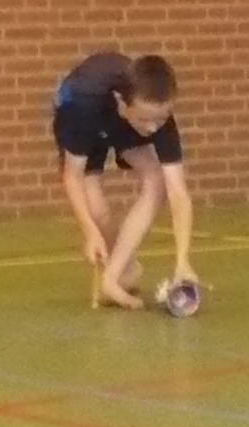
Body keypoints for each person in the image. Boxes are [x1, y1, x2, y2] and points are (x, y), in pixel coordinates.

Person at [51, 51, 197, 310]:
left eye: (161, 119)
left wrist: (182, 260)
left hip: (123, 122)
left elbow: (179, 193)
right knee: (97, 207)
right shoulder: (83, 105)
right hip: (81, 112)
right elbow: (72, 177)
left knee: (156, 181)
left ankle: (112, 277)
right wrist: (90, 232)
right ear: (121, 102)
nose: (152, 128)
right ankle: (125, 269)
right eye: (146, 119)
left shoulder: (156, 118)